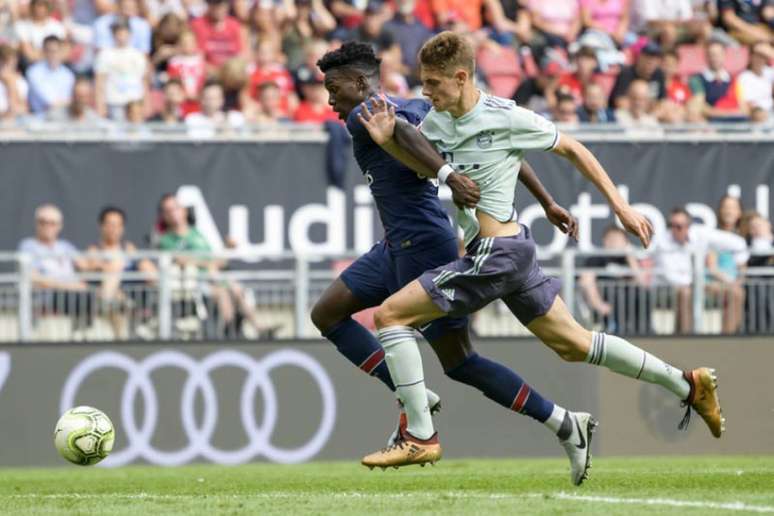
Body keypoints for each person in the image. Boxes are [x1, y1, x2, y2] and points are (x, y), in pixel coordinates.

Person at [355, 31, 724, 472]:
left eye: (433, 83)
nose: (425, 92)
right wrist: (389, 143)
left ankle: (418, 434)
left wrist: (620, 207)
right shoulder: (438, 122)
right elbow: (429, 170)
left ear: (460, 77)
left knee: (390, 316)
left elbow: (572, 148)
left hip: (497, 253)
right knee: (573, 343)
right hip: (514, 251)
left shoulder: (505, 115)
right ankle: (687, 383)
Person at [315, 42, 596, 486]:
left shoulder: (364, 113)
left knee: (459, 361)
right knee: (327, 312)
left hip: (425, 246)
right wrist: (547, 200)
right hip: (394, 246)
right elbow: (502, 148)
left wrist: (446, 176)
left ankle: (562, 422)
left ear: (360, 82)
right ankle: (415, 398)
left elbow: (408, 139)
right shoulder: (410, 106)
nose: (330, 100)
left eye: (334, 88)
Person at [651, 207, 748, 334]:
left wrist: (739, 269)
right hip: (667, 290)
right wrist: (700, 282)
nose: (675, 229)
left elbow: (738, 244)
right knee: (685, 293)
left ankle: (727, 340)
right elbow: (671, 277)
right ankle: (686, 341)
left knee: (736, 292)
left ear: (688, 226)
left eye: (679, 226)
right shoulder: (662, 242)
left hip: (700, 284)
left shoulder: (700, 233)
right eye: (672, 225)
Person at [82, 206, 157, 338]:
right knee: (114, 270)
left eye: (117, 225)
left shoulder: (129, 248)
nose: (113, 229)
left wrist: (137, 260)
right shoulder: (94, 249)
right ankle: (112, 302)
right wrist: (111, 265)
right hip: (104, 307)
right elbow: (90, 268)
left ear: (122, 228)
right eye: (110, 224)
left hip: (130, 300)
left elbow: (150, 271)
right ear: (102, 226)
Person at [580, 225, 648, 334]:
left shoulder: (630, 261)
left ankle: (645, 331)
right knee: (618, 294)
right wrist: (599, 304)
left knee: (643, 296)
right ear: (604, 241)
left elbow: (642, 283)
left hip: (629, 308)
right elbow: (586, 281)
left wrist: (630, 258)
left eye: (617, 239)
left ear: (626, 243)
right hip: (606, 305)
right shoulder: (596, 259)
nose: (613, 243)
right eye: (610, 239)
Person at [94, 17, 149, 121]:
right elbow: (99, 83)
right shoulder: (105, 55)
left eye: (124, 32)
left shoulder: (138, 55)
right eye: (118, 32)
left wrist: (146, 105)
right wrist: (100, 106)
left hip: (135, 103)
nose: (121, 36)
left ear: (130, 33)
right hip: (115, 102)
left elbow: (144, 81)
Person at [25, 35, 74, 115]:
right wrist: (67, 103)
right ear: (43, 51)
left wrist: (66, 103)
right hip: (38, 118)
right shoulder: (33, 72)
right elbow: (50, 101)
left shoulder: (68, 74)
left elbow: (66, 101)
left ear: (61, 51)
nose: (52, 54)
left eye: (55, 51)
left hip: (63, 117)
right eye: (48, 51)